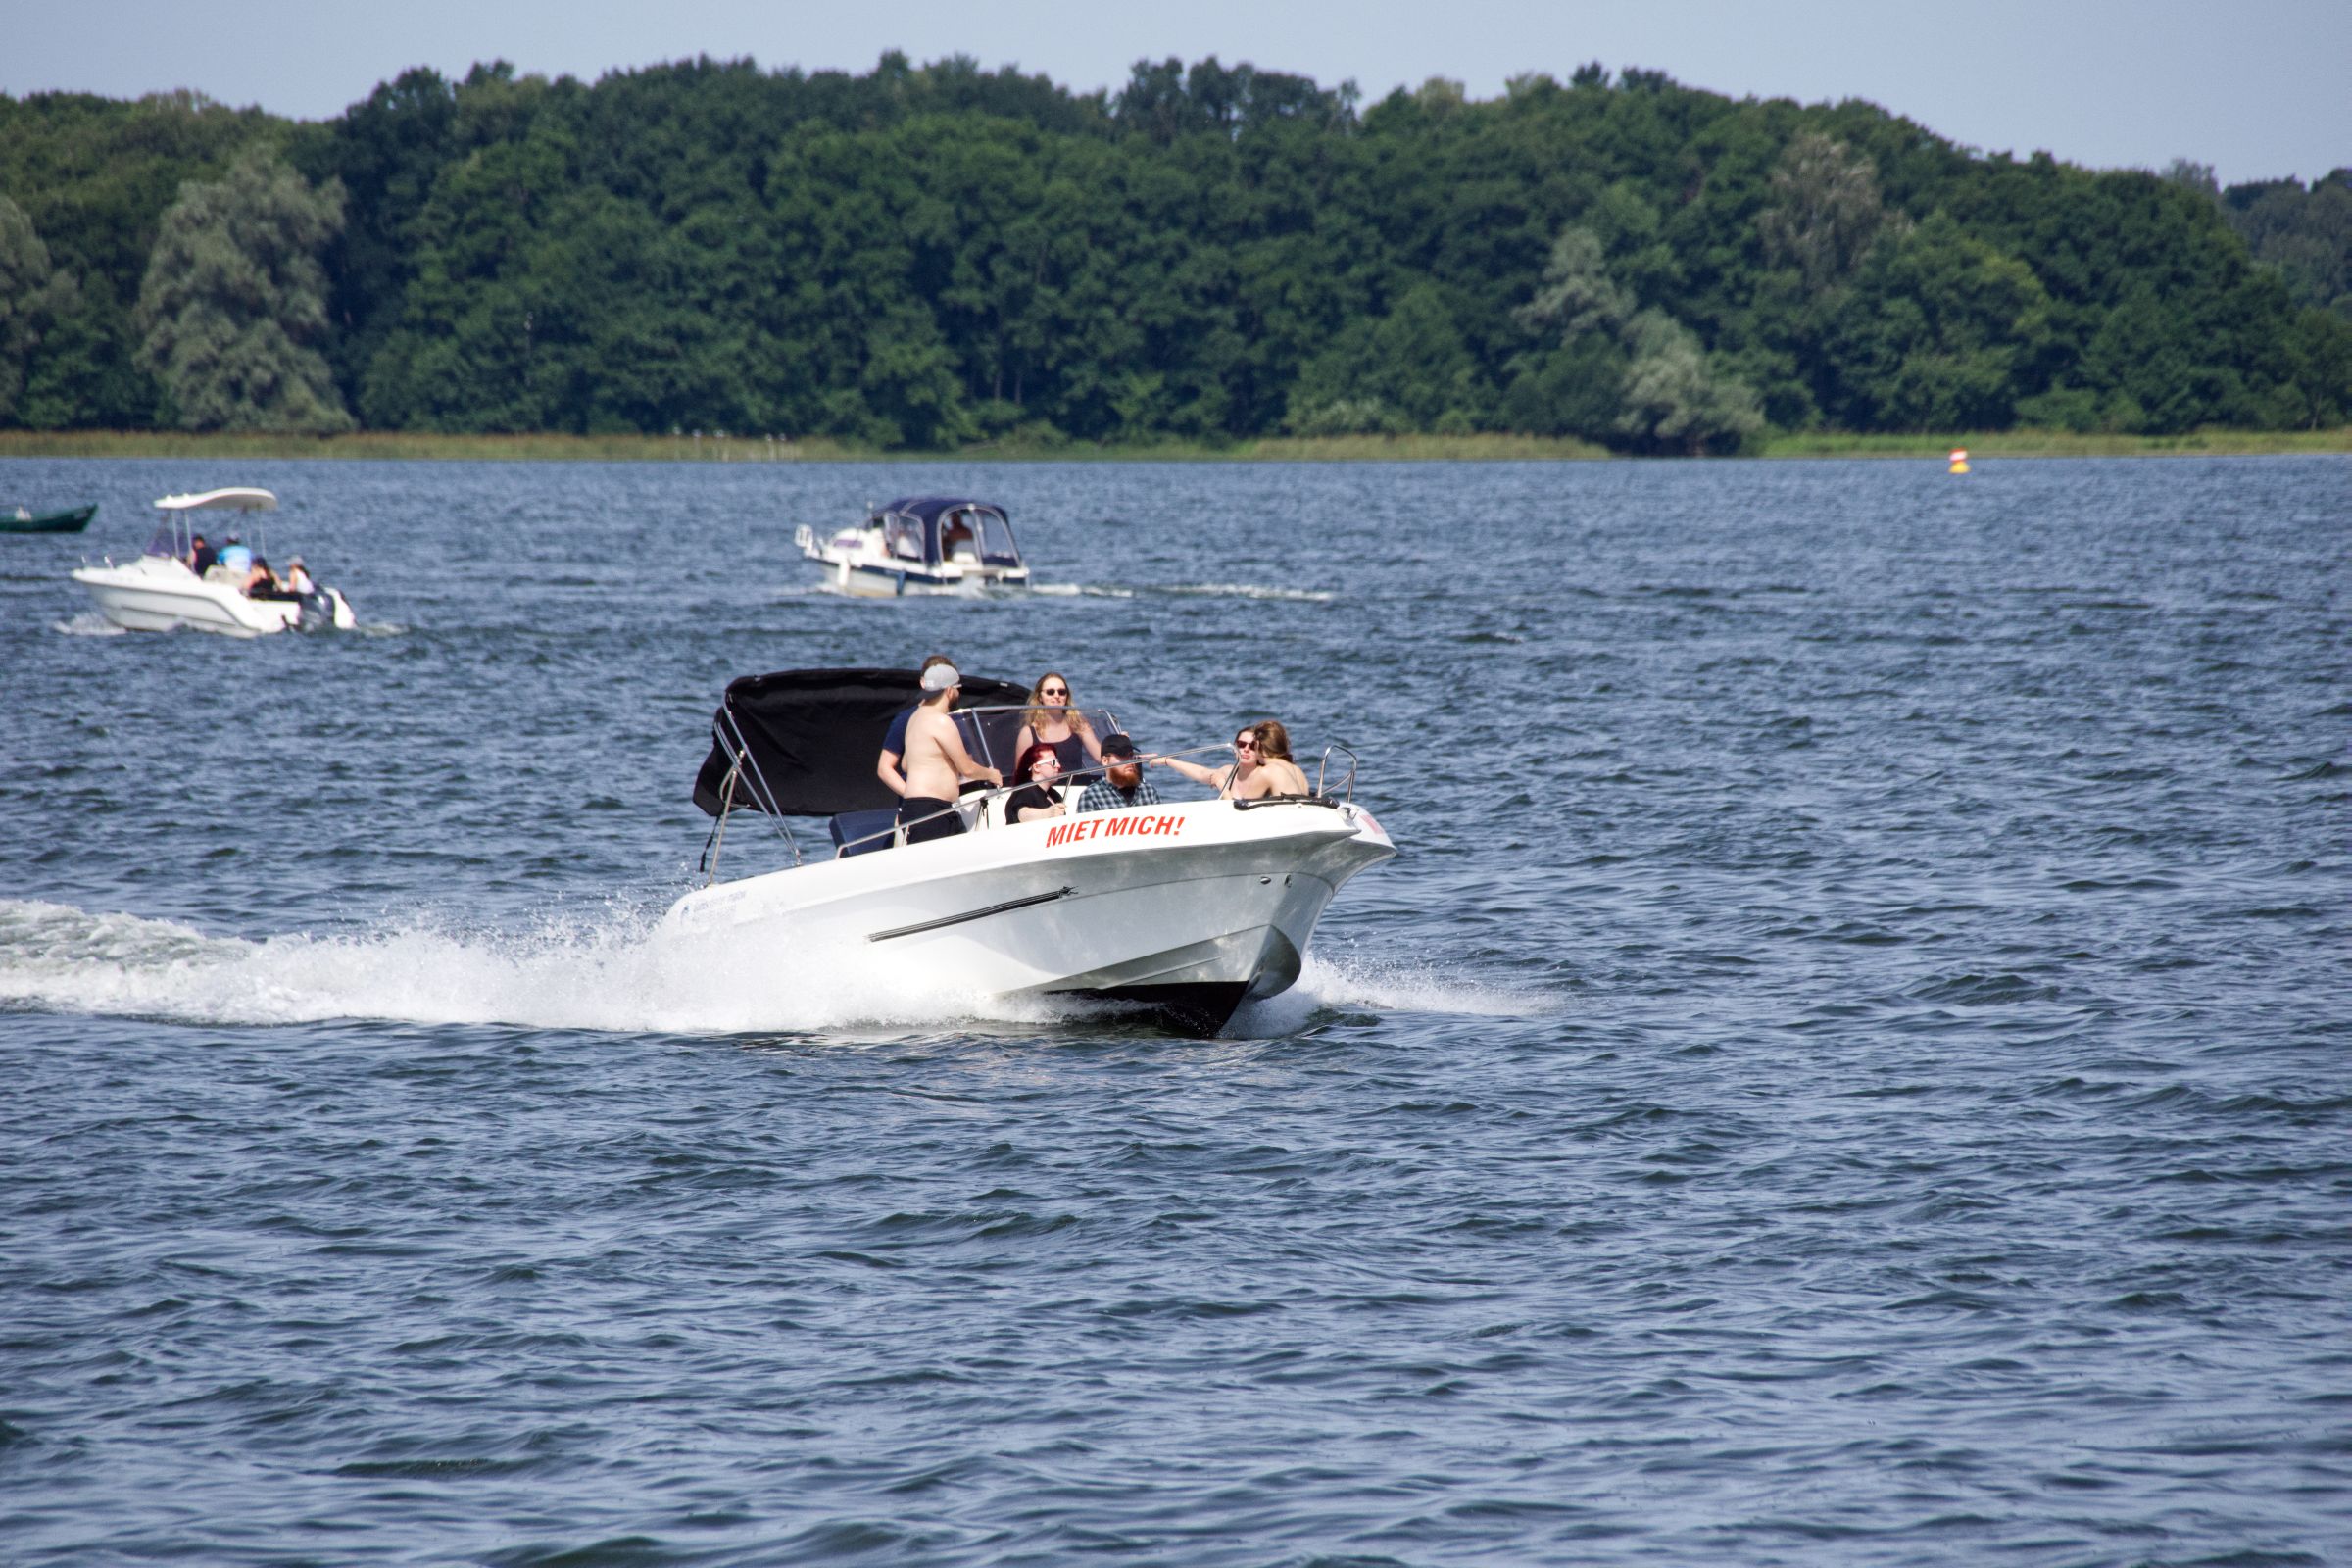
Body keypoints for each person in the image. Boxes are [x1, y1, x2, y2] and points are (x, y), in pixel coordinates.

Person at [897, 662, 1001, 844]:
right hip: (931, 811)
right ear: (949, 690)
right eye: (958, 689)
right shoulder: (941, 721)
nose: (959, 694)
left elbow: (906, 764)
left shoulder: (915, 718)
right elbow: (967, 769)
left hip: (918, 808)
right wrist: (991, 774)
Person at [877, 654, 958, 799]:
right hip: (918, 803)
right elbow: (884, 768)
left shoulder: (954, 718)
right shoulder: (906, 719)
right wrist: (912, 795)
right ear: (923, 683)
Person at [1011, 672, 1102, 779]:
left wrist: (1119, 748)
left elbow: (1101, 757)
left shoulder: (1079, 725)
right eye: (1050, 692)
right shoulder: (1028, 733)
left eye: (1062, 692)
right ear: (1040, 697)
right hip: (1044, 790)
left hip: (1075, 787)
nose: (1057, 695)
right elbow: (1021, 773)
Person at [1154, 725, 1283, 800]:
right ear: (1234, 747)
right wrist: (1167, 760)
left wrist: (1221, 783)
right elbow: (1201, 773)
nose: (1246, 749)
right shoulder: (1229, 772)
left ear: (1260, 750)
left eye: (1252, 746)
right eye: (1241, 744)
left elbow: (1237, 812)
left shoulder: (1264, 774)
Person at [1075, 733, 1162, 814]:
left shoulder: (1148, 791)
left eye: (1130, 755)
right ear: (1105, 761)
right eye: (1122, 756)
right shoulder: (1091, 796)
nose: (1129, 761)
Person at [1004, 743, 1069, 823]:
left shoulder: (1054, 794)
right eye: (1053, 762)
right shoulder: (1025, 791)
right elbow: (1022, 814)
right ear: (1037, 767)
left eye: (1057, 761)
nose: (1058, 766)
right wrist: (1048, 813)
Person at [1250, 719, 1312, 796]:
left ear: (1257, 744)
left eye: (1252, 745)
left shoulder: (1268, 771)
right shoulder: (1299, 771)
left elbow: (1245, 801)